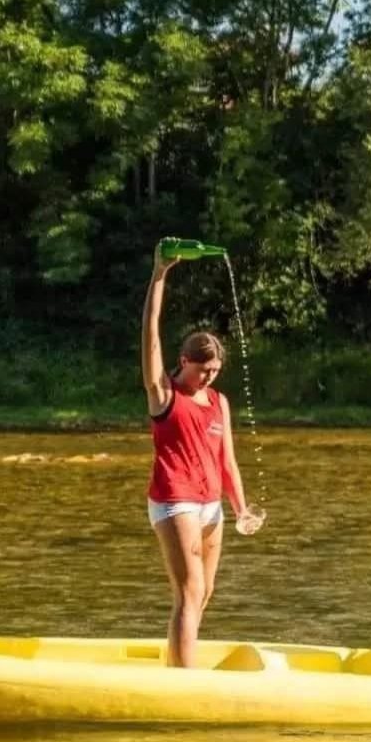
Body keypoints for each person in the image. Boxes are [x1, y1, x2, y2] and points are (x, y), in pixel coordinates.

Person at [141, 240, 251, 669]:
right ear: (184, 361)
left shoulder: (219, 402)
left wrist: (241, 508)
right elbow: (151, 339)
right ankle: (185, 682)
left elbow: (228, 462)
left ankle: (177, 664)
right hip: (175, 500)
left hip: (210, 505)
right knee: (189, 591)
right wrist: (160, 274)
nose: (208, 377)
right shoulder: (164, 394)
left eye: (215, 372)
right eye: (203, 370)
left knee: (204, 592)